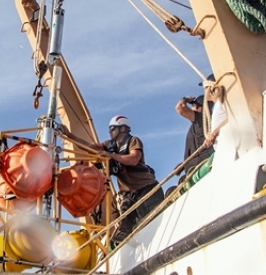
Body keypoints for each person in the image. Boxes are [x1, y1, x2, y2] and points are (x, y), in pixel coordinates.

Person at [60, 115, 161, 244]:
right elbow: (89, 147)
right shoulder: (109, 145)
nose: (110, 131)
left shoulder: (133, 141)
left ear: (123, 128)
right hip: (129, 193)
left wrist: (110, 155)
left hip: (147, 189)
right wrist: (69, 135)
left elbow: (133, 159)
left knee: (155, 219)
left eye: (113, 128)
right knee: (125, 220)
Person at [175, 94, 211, 180]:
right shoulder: (205, 123)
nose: (191, 108)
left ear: (200, 109)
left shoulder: (201, 119)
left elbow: (180, 107)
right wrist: (184, 164)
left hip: (199, 167)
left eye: (194, 106)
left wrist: (186, 99)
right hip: (196, 165)